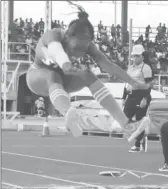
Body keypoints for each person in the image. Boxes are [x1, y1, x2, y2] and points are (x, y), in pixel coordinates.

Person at [25, 3, 149, 137]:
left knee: (87, 74)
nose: (79, 53)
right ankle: (68, 113)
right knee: (52, 75)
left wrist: (132, 82)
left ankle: (127, 125)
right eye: (76, 47)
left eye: (83, 50)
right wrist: (66, 63)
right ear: (67, 37)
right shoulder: (53, 36)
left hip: (63, 79)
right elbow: (56, 51)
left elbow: (108, 65)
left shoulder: (87, 45)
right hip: (36, 78)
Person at [123, 45, 153, 153]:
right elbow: (126, 82)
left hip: (141, 95)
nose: (134, 58)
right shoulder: (130, 68)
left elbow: (149, 84)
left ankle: (138, 144)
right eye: (133, 56)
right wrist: (123, 97)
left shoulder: (146, 68)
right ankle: (141, 137)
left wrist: (145, 98)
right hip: (131, 95)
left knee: (140, 119)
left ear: (142, 56)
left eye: (137, 56)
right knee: (124, 118)